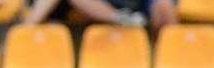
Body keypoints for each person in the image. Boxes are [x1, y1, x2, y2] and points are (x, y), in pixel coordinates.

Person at [26, 0, 177, 30]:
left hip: (136, 7)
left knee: (164, 5)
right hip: (96, 7)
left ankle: (166, 54)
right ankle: (24, 31)